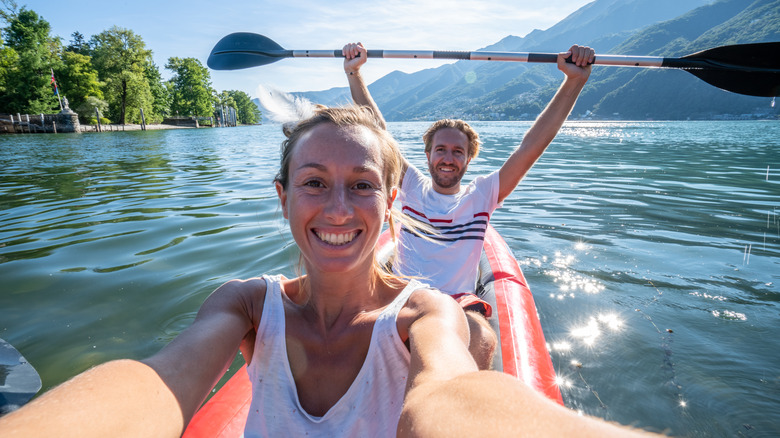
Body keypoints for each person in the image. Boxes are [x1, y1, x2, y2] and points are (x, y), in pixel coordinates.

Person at [0, 107, 659, 438]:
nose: (338, 207)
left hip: (448, 301)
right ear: (283, 197)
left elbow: (449, 399)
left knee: (473, 338)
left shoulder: (424, 316)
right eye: (314, 183)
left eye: (362, 186)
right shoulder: (245, 305)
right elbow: (161, 381)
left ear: (391, 202)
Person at [343, 41, 595, 369]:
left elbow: (531, 145)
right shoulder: (411, 186)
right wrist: (353, 73)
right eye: (441, 150)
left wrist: (573, 82)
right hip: (404, 296)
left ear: (469, 158)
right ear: (428, 154)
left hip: (458, 304)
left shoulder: (482, 196)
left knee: (482, 336)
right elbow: (378, 130)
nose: (448, 158)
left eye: (458, 152)